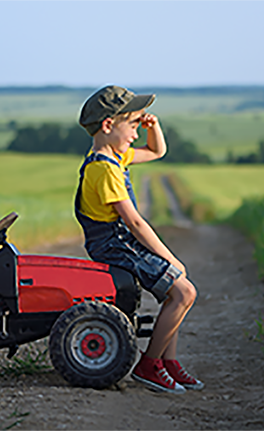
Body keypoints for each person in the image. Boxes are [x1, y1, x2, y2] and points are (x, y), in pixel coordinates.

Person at [75, 85, 203, 394]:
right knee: (184, 291)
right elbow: (133, 222)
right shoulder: (104, 169)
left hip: (119, 240)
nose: (136, 133)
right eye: (132, 125)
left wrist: (153, 126)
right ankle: (149, 366)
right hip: (114, 243)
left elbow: (157, 151)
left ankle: (166, 363)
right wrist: (170, 257)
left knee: (177, 290)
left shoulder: (115, 156)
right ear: (108, 125)